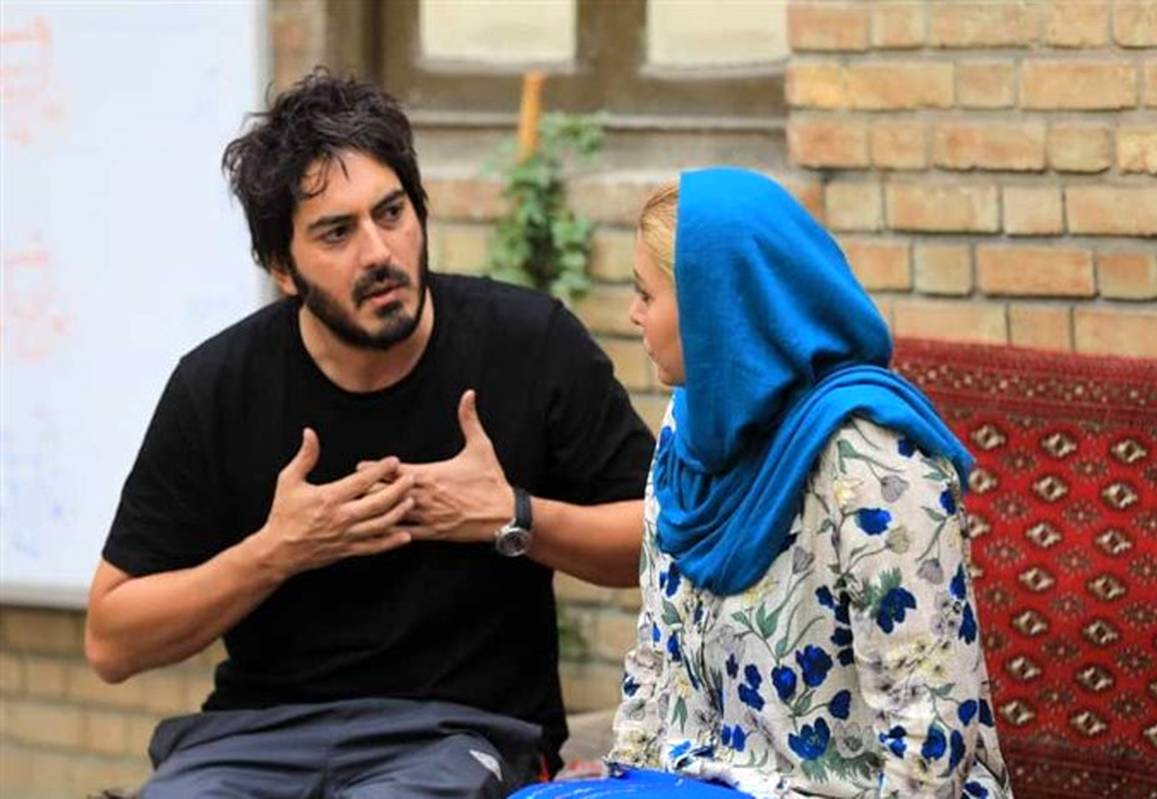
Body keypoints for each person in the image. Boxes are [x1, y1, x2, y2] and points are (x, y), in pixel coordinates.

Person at [83, 70, 655, 798]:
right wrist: (276, 551)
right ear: (282, 268)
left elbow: (662, 542)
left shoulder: (529, 344)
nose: (379, 251)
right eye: (337, 232)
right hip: (256, 741)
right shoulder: (218, 385)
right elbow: (112, 640)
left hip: (458, 734)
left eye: (391, 213)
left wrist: (514, 515)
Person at [514, 168, 1011, 798]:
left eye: (646, 294)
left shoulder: (875, 463)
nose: (632, 315)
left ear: (715, 306)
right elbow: (657, 656)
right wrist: (624, 781)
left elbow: (931, 735)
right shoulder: (690, 434)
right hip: (707, 782)